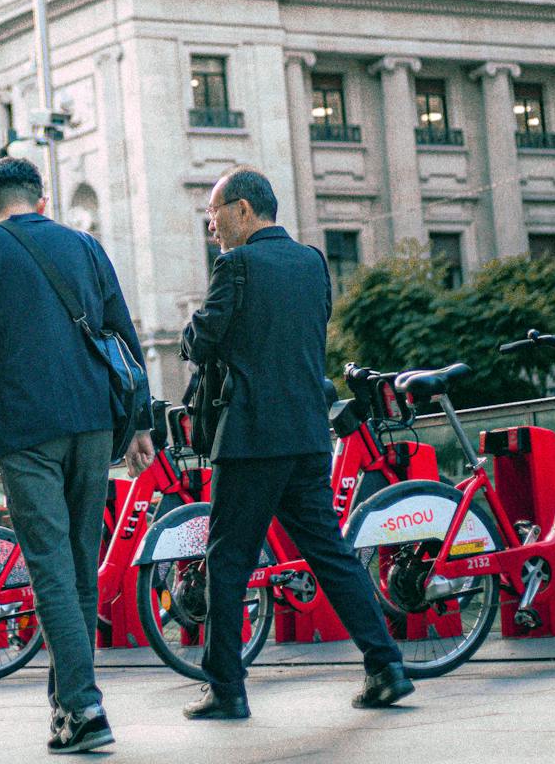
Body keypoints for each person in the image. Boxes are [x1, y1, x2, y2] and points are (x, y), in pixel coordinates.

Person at [0, 156, 154, 755]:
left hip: (25, 430)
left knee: (51, 565)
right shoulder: (85, 247)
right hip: (94, 423)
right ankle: (68, 704)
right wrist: (140, 422)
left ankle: (84, 706)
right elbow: (122, 333)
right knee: (78, 564)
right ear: (42, 200)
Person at [180, 167, 412, 720]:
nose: (211, 227)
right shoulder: (313, 262)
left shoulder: (234, 266)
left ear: (242, 210)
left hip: (252, 438)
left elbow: (203, 340)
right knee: (330, 554)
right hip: (308, 433)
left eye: (214, 215)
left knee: (228, 561)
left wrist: (195, 329)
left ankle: (227, 689)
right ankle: (387, 667)